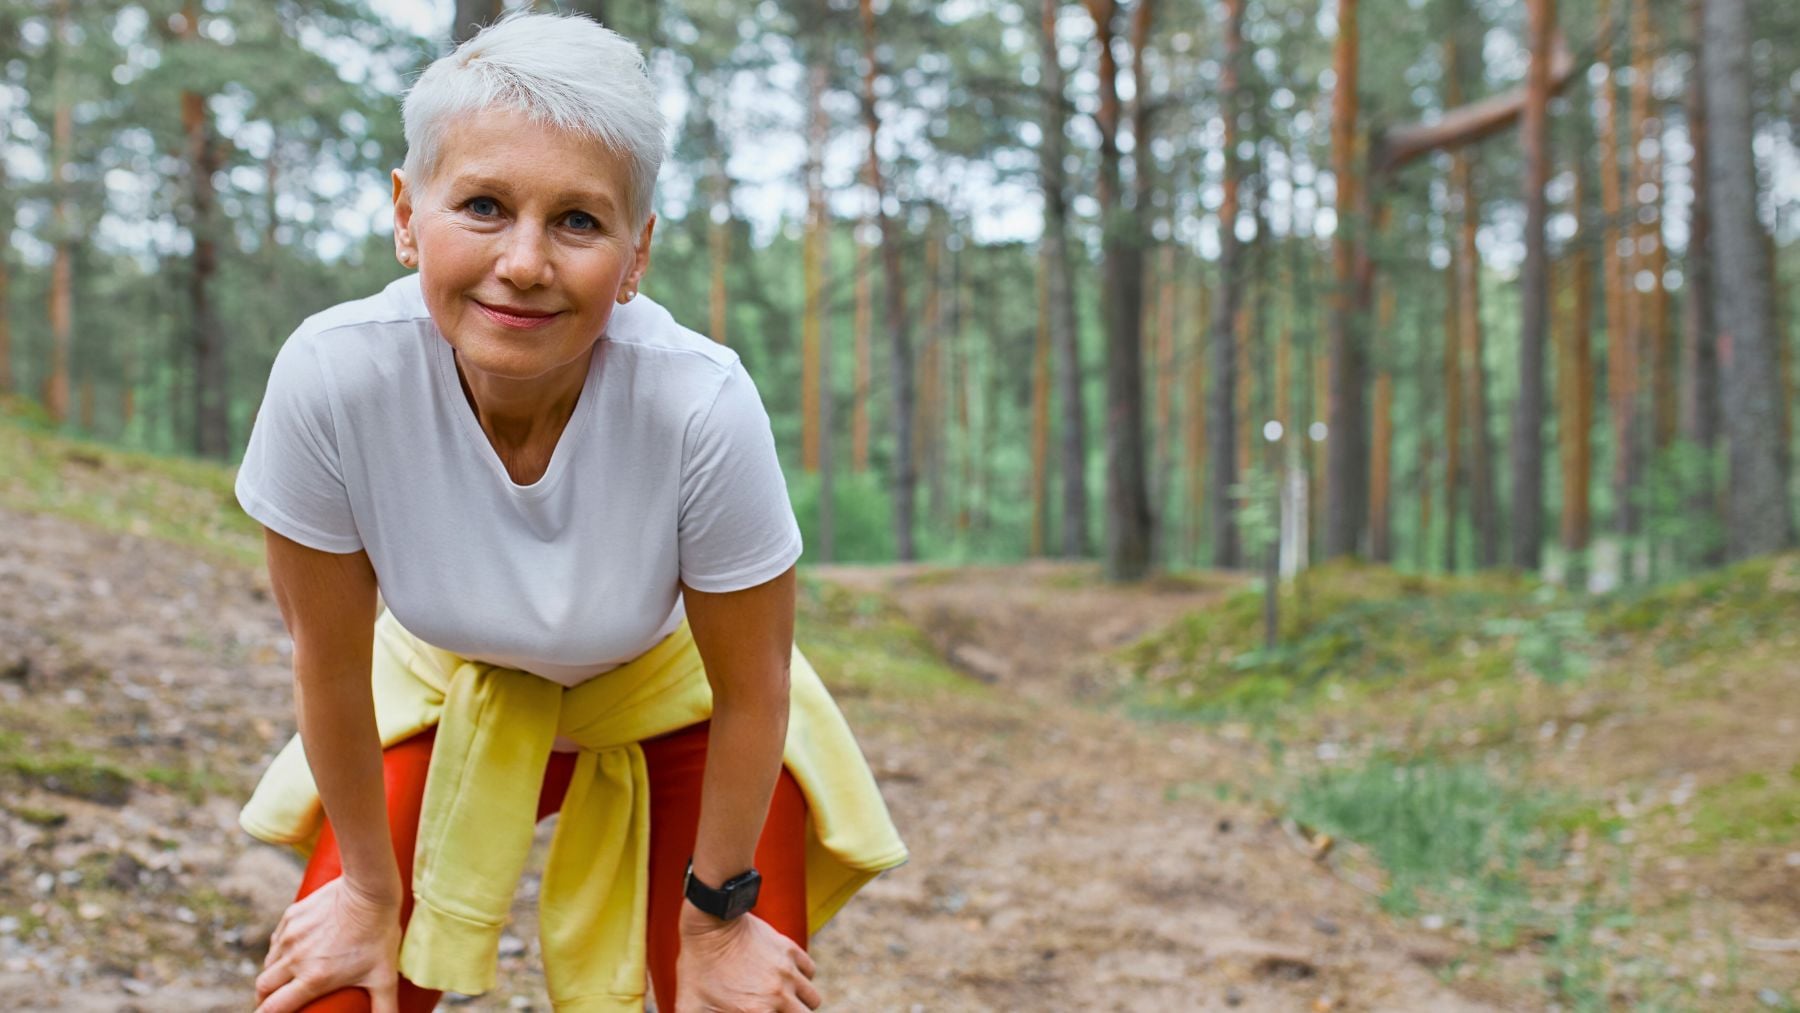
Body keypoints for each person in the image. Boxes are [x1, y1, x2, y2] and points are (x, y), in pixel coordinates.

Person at [233, 12, 906, 1013]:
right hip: (448, 687)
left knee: (734, 1001)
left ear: (636, 255)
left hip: (681, 707)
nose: (524, 261)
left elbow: (756, 685)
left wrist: (720, 918)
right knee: (337, 988)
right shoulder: (334, 378)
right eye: (485, 205)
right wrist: (368, 892)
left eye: (579, 222)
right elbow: (326, 662)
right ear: (408, 213)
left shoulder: (699, 402)